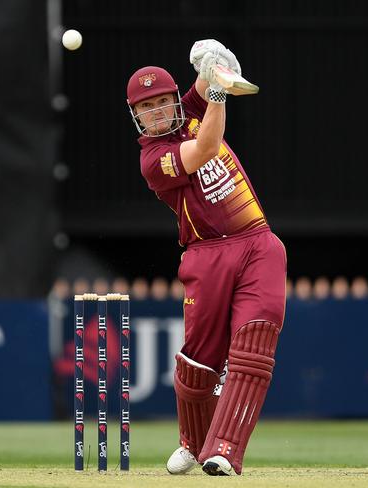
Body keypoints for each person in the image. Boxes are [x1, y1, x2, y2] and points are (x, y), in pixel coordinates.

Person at [126, 39, 287, 476]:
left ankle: (225, 450)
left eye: (164, 102)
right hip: (206, 255)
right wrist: (218, 91)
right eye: (148, 107)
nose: (158, 112)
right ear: (136, 115)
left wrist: (212, 62)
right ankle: (193, 442)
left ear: (176, 100)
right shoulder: (153, 159)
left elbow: (204, 82)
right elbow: (207, 148)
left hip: (257, 243)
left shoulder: (192, 109)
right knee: (198, 364)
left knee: (252, 347)